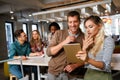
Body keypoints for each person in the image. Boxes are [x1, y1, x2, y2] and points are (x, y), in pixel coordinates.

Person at [46, 11, 85, 80]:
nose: (72, 24)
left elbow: (87, 58)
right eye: (70, 22)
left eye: (75, 21)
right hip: (54, 72)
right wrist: (64, 42)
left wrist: (75, 65)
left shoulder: (84, 37)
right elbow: (49, 52)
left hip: (72, 75)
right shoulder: (59, 33)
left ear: (80, 22)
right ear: (67, 23)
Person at [76, 15, 115, 80]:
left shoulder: (108, 40)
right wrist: (84, 48)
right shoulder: (88, 41)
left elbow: (106, 66)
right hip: (89, 74)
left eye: (90, 27)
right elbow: (84, 63)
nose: (88, 30)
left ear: (99, 26)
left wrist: (88, 59)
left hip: (102, 76)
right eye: (86, 27)